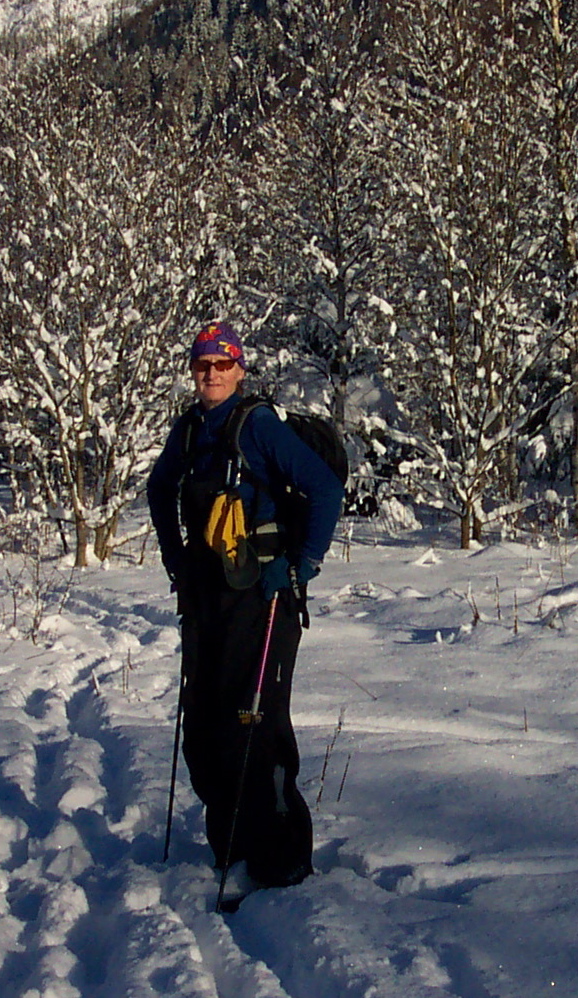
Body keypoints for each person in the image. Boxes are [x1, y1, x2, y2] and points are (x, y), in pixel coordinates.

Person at [147, 321, 342, 890]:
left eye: (222, 365)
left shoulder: (256, 425)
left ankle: (281, 861)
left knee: (254, 725)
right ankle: (230, 845)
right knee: (206, 726)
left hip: (264, 597)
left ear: (240, 369)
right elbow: (160, 490)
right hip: (208, 596)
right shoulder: (190, 429)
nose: (212, 374)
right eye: (203, 365)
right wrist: (175, 558)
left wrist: (301, 565)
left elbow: (325, 488)